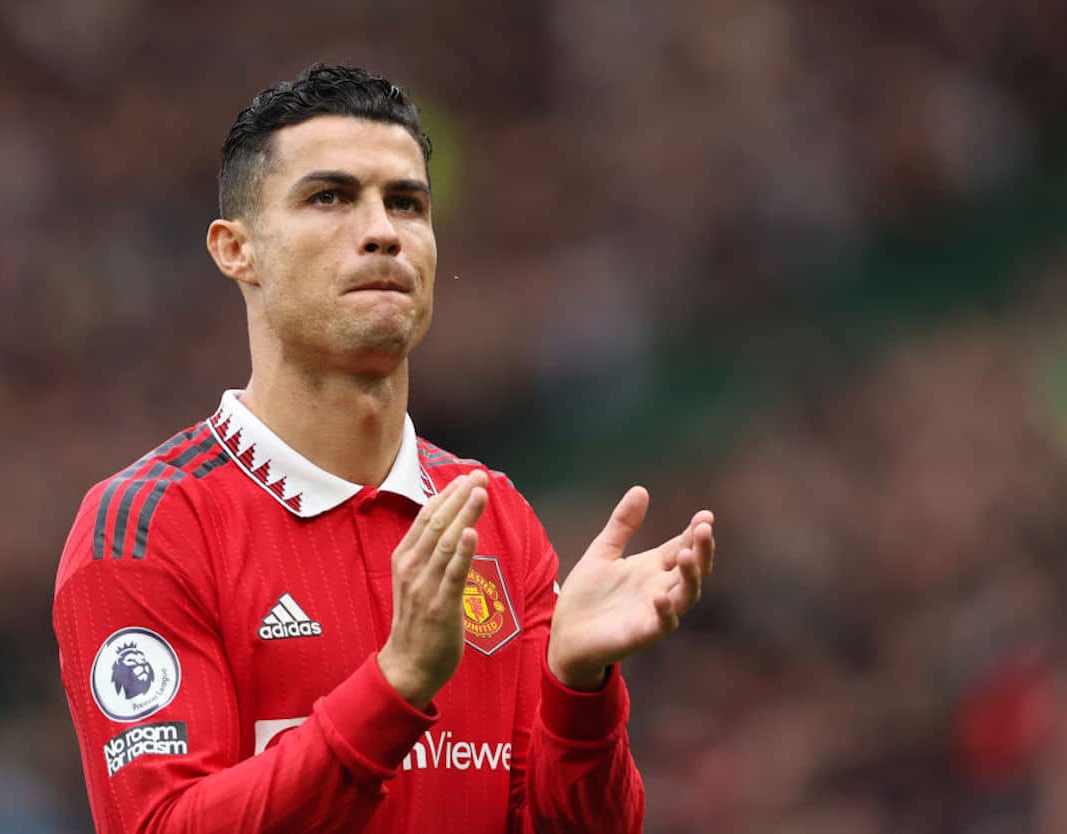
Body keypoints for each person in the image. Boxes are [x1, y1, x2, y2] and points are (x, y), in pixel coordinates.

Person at [53, 63, 715, 834]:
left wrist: (578, 690)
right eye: (329, 197)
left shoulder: (492, 516)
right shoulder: (148, 528)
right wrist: (394, 687)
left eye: (407, 203)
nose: (382, 231)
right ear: (237, 250)